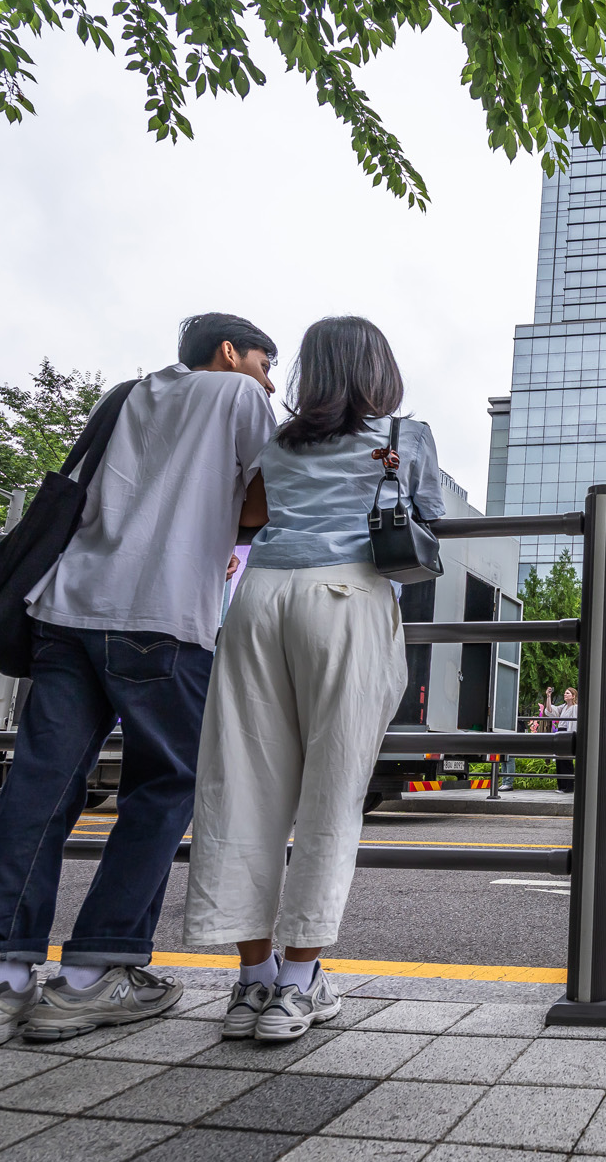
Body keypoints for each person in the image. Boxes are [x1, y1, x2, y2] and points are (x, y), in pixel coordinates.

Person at [0, 313, 279, 1051]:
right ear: (231, 353)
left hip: (66, 609)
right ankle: (97, 969)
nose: (269, 379)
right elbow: (271, 497)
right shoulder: (238, 399)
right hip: (162, 616)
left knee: (38, 789)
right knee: (164, 787)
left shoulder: (128, 393)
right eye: (266, 362)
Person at [183, 316, 444, 1041]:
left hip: (260, 600)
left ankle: (251, 982)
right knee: (332, 792)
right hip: (348, 600)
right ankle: (299, 984)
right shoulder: (403, 434)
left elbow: (249, 515)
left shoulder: (277, 439)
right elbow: (429, 519)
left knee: (240, 785)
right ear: (376, 369)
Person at [551, 686, 578, 794]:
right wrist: (549, 696)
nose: (565, 695)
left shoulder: (575, 707)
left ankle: (568, 786)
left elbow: (574, 722)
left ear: (573, 696)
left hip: (568, 732)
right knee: (560, 760)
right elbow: (551, 711)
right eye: (565, 693)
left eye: (567, 693)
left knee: (567, 761)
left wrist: (572, 735)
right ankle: (561, 786)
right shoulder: (564, 706)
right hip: (561, 732)